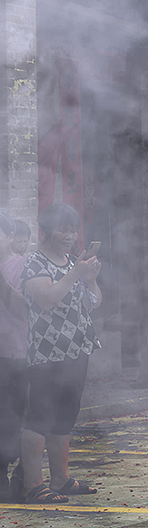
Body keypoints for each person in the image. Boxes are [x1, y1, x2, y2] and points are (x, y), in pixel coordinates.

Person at [16, 204, 101, 503]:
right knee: (41, 415)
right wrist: (75, 273)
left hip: (78, 349)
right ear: (46, 231)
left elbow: (93, 302)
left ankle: (61, 479)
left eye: (72, 229)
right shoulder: (35, 263)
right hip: (48, 352)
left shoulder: (71, 262)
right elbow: (47, 299)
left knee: (67, 414)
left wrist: (89, 279)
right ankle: (32, 484)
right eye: (62, 229)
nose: (69, 235)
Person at [0, 211, 28, 501]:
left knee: (11, 418)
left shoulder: (23, 267)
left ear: (10, 237)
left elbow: (24, 309)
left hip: (15, 354)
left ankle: (15, 474)